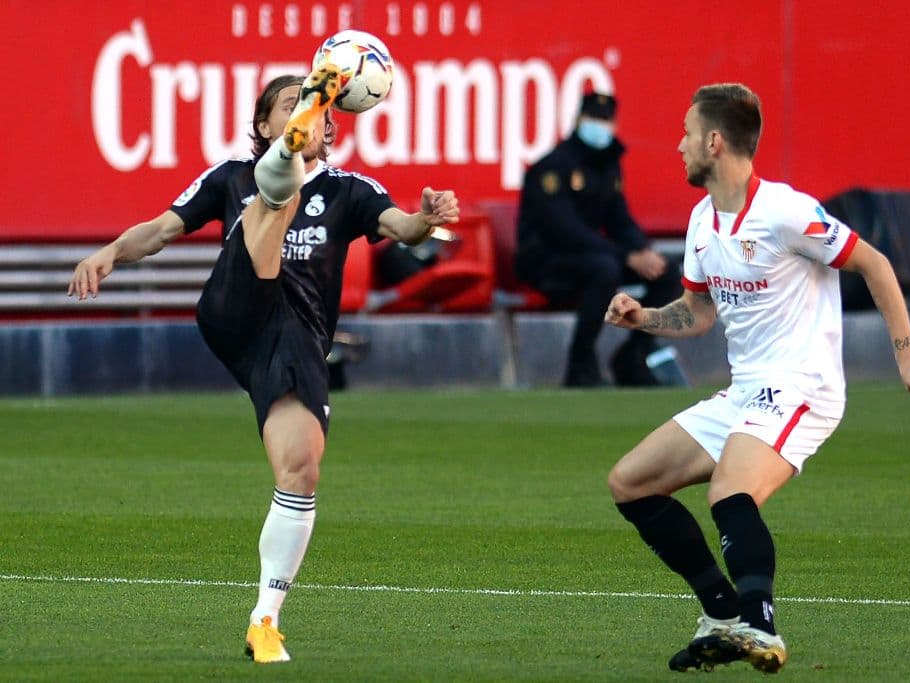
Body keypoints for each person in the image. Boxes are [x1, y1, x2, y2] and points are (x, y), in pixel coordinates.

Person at [68, 63, 459, 664]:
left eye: (322, 107)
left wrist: (427, 218)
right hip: (236, 309)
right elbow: (162, 230)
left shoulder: (352, 190)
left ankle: (265, 619)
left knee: (300, 470)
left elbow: (403, 228)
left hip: (295, 338)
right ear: (263, 122)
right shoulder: (229, 178)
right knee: (274, 197)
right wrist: (111, 253)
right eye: (297, 104)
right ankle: (281, 170)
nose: (318, 116)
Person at [604, 83, 910, 674]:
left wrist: (907, 353)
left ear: (714, 141)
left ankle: (760, 626)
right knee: (630, 483)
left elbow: (874, 262)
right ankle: (720, 612)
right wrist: (644, 318)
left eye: (686, 133)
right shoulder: (702, 219)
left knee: (730, 491)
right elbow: (700, 310)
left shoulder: (785, 211)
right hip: (746, 391)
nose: (678, 145)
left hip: (801, 388)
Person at [516, 92, 683, 387]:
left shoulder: (608, 166)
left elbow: (620, 220)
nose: (600, 126)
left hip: (594, 257)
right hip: (545, 262)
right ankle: (580, 365)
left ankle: (633, 357)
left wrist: (642, 251)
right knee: (604, 269)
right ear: (578, 120)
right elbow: (565, 231)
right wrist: (626, 256)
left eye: (606, 120)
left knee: (666, 272)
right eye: (594, 118)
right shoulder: (553, 167)